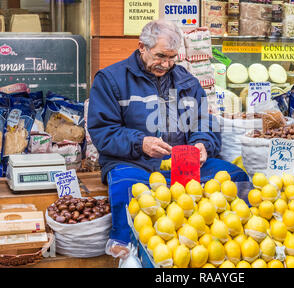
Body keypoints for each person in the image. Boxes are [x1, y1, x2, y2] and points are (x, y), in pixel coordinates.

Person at [87, 20, 249, 259]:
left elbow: (205, 121)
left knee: (236, 177)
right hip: (133, 162)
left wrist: (203, 144)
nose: (166, 64)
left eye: (172, 58)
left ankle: (228, 239)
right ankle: (126, 245)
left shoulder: (187, 81)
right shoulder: (110, 79)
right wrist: (140, 143)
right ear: (142, 47)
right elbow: (103, 131)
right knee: (131, 189)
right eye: (161, 56)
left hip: (184, 163)